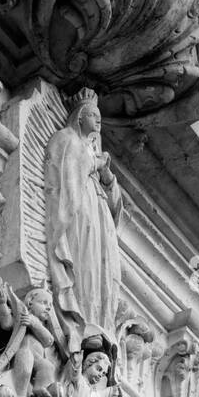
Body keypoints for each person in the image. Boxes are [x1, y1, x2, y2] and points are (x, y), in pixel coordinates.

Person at [44, 89, 123, 345]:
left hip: (101, 217)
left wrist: (108, 177)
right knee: (86, 262)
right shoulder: (66, 139)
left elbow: (115, 205)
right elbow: (65, 176)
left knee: (106, 270)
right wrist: (94, 165)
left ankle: (102, 324)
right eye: (93, 115)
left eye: (100, 117)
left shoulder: (94, 152)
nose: (98, 121)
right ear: (79, 117)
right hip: (81, 211)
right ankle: (83, 320)